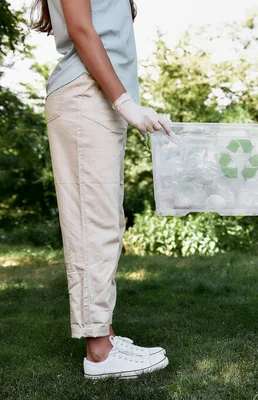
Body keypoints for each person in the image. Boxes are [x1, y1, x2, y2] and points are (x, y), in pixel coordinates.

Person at [32, 0, 170, 379]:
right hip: (86, 97)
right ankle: (99, 353)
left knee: (104, 220)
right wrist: (125, 103)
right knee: (93, 223)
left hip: (97, 99)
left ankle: (104, 332)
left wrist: (124, 102)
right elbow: (81, 29)